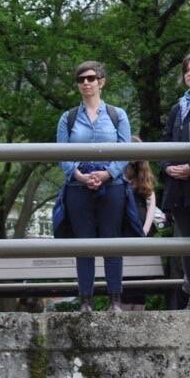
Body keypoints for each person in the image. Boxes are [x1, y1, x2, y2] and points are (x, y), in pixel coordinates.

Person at [56, 61, 132, 313]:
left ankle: (115, 300)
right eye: (81, 79)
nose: (86, 83)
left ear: (102, 81)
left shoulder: (117, 114)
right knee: (84, 242)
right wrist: (78, 175)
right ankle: (86, 300)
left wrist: (108, 173)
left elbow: (126, 151)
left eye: (91, 78)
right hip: (78, 185)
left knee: (112, 241)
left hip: (112, 185)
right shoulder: (67, 118)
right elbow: (62, 154)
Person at [158, 49, 190, 310]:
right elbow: (165, 140)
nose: (189, 73)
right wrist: (167, 166)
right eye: (186, 70)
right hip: (179, 188)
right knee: (188, 243)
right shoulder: (178, 107)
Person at [122, 137, 157, 310]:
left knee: (140, 280)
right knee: (126, 277)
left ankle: (138, 314)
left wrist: (144, 230)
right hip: (124, 230)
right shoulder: (120, 172)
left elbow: (151, 201)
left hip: (143, 230)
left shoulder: (144, 175)